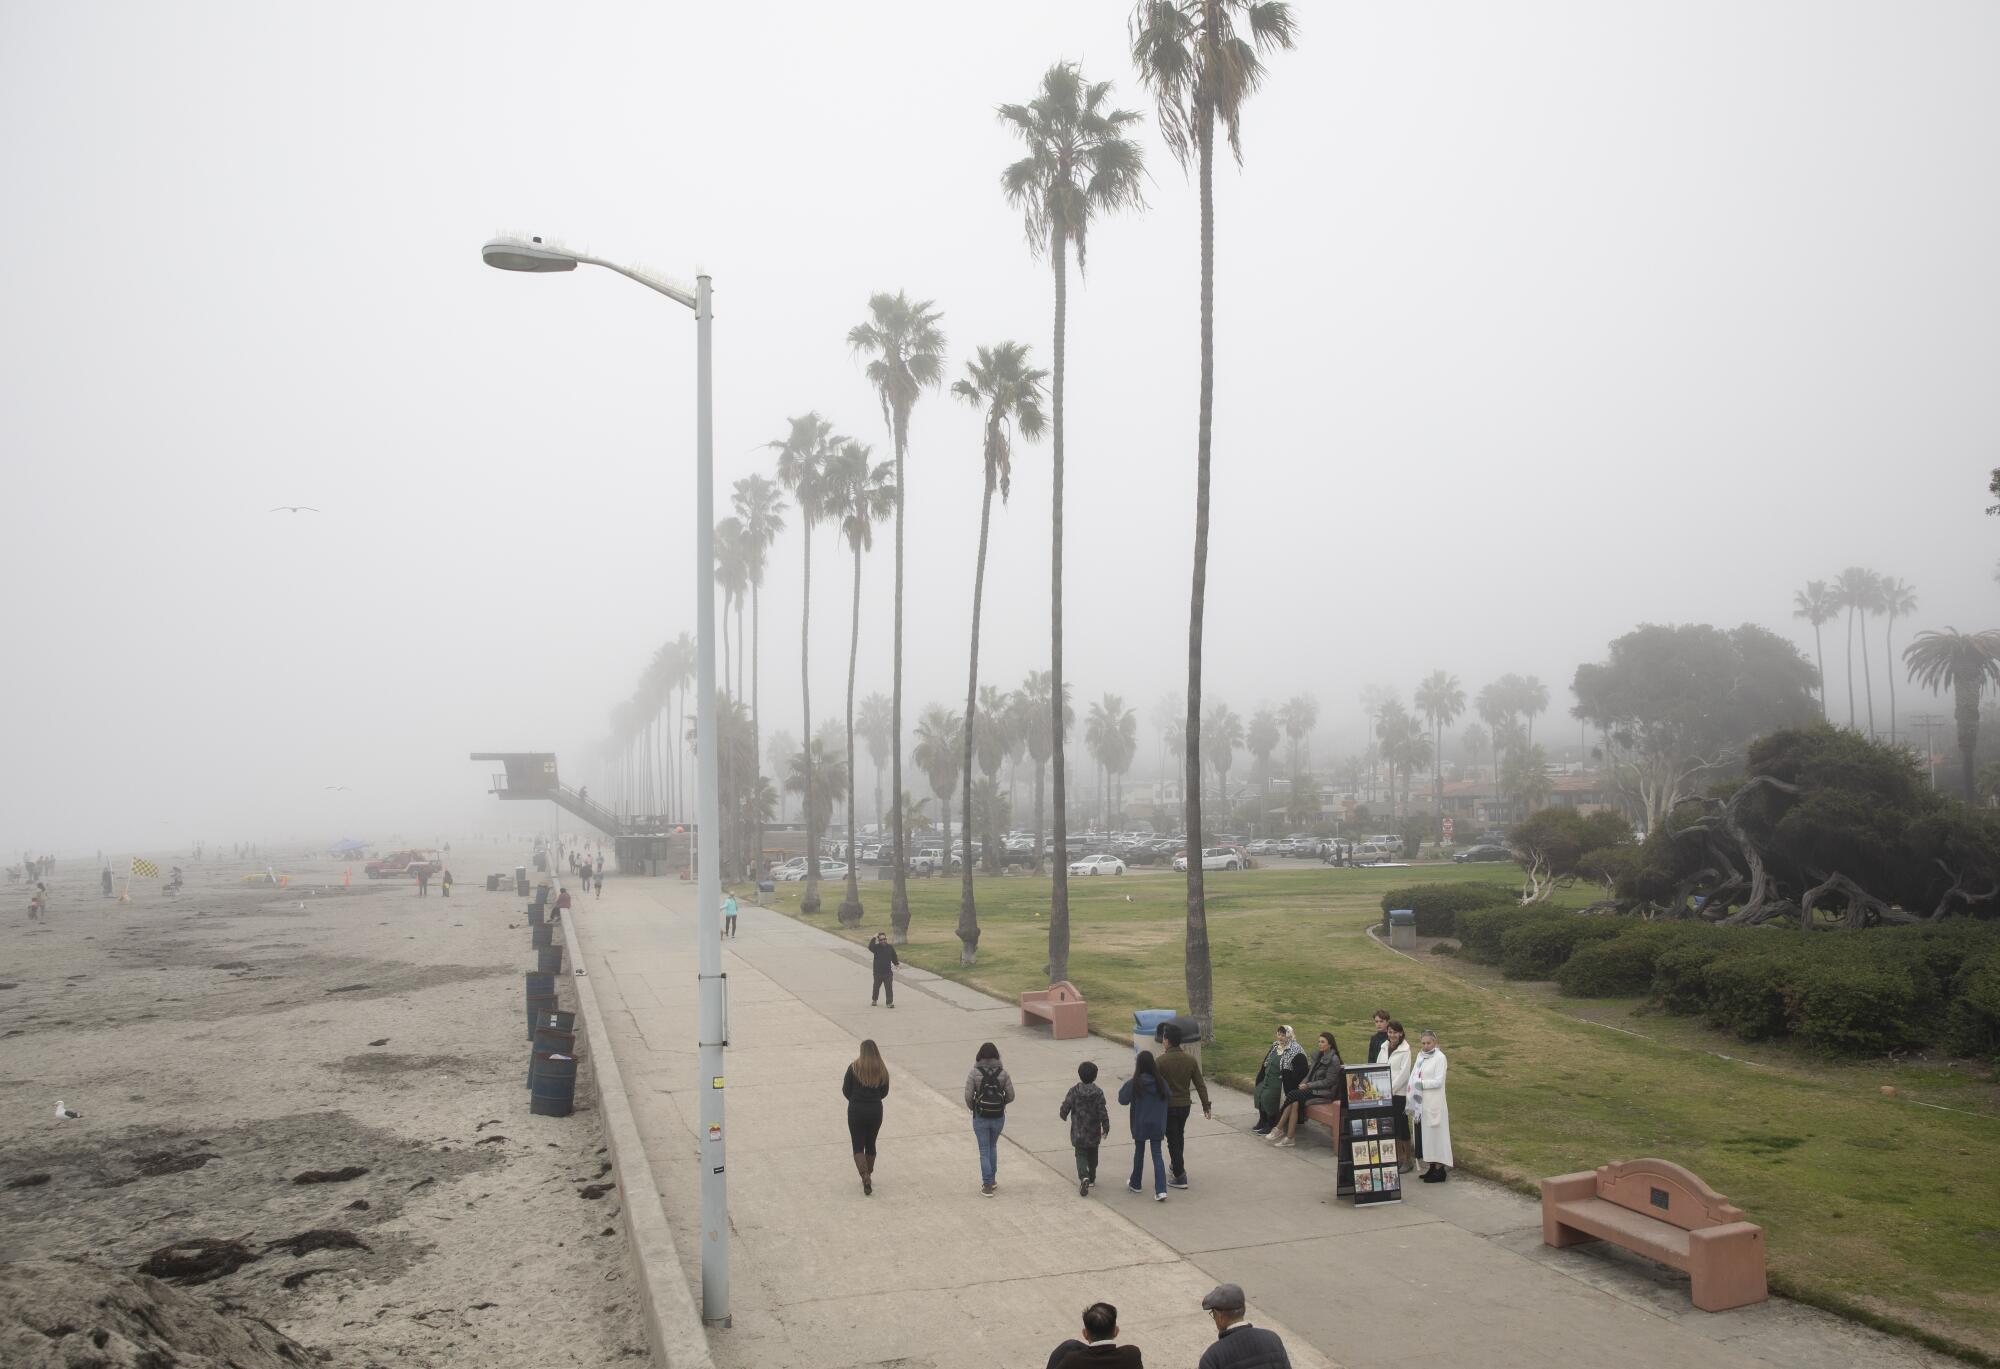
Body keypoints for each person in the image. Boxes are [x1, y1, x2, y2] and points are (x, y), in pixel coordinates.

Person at [1155, 1023, 1211, 1189]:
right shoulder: (1190, 1060)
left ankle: (1180, 1176)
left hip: (1169, 1106)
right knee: (1178, 1136)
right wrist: (1206, 1105)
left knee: (1173, 1140)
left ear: (1167, 1041)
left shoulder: (1160, 1061)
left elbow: (1155, 1086)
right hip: (1185, 1106)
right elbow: (1200, 1085)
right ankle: (1176, 1164)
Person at [1266, 1032, 1342, 1148]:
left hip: (1324, 1093)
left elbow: (1328, 1082)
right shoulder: (1319, 1056)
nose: (1320, 1044)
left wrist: (1309, 1085)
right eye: (1319, 1041)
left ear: (1330, 1045)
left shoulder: (1334, 1060)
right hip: (1312, 1089)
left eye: (1323, 1042)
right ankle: (1290, 1138)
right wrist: (1303, 1083)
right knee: (1294, 1101)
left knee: (1292, 1095)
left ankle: (1278, 1128)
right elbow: (1309, 1073)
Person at [1197, 1284, 1291, 1369]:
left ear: (1221, 1317)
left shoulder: (1212, 1358)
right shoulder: (1273, 1340)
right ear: (1244, 1309)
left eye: (1214, 1314)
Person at [1118, 1050, 1170, 1201]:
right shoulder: (1161, 1082)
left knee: (1139, 1152)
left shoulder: (1135, 1083)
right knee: (1157, 1154)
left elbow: (1122, 1099)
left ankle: (1136, 1183)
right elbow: (1169, 1095)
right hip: (1157, 1123)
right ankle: (1161, 1190)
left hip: (1140, 1122)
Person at [964, 1041, 1015, 1195]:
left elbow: (967, 1095)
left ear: (979, 1056)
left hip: (981, 1115)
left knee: (984, 1150)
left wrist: (974, 1107)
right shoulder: (1003, 1073)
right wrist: (1002, 1103)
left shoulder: (974, 1073)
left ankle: (987, 1184)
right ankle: (992, 1180)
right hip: (998, 1116)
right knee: (992, 1146)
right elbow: (1011, 1096)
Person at [842, 1038, 891, 1195]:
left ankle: (865, 1176)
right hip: (875, 1110)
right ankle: (869, 1172)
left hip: (856, 1110)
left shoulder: (854, 1067)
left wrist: (856, 1100)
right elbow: (884, 1092)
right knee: (871, 1143)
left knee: (858, 1146)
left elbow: (845, 1090)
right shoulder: (882, 1069)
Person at [1059, 1060, 1112, 1197]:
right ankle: (1092, 1177)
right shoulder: (1098, 1092)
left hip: (1078, 1131)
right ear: (1095, 1076)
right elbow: (1102, 1111)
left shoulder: (1074, 1091)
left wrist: (1063, 1113)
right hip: (1093, 1131)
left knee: (1080, 1154)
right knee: (1093, 1155)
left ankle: (1084, 1176)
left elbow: (1066, 1105)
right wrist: (1105, 1126)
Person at [1045, 1301, 1144, 1369]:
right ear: (1116, 1331)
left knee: (1069, 1346)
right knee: (1071, 1345)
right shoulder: (1132, 1355)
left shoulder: (1072, 1361)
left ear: (1085, 1334)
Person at [1410, 1028, 1453, 1182]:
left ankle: (1440, 1169)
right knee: (1426, 1136)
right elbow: (1414, 1074)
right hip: (1421, 1103)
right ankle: (1431, 1166)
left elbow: (1438, 1081)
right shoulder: (1420, 1057)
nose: (1426, 1046)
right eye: (1423, 1043)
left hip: (1434, 1102)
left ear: (1435, 1042)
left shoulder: (1440, 1057)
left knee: (1436, 1136)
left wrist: (1420, 1083)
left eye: (1429, 1043)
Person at [1251, 1026, 1306, 1134]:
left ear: (1289, 1035)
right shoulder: (1275, 1045)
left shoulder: (1295, 1049)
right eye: (1279, 1034)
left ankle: (1271, 1123)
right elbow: (1266, 1061)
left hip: (1281, 1081)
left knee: (1268, 1096)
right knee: (1258, 1091)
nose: (1280, 1037)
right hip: (1268, 1077)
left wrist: (1288, 1078)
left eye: (1283, 1035)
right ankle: (1263, 1120)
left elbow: (1301, 1070)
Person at [1377, 1019, 1414, 1172]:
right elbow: (1379, 1066)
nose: (1392, 1035)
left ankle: (1408, 1160)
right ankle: (1399, 1157)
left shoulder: (1406, 1050)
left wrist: (1390, 1089)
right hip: (1384, 1093)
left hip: (1398, 1094)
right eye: (1390, 1032)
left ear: (1401, 1033)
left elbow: (1404, 1074)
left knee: (1402, 1126)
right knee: (1391, 1126)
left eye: (1395, 1032)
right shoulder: (1384, 1047)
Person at [868, 931, 897, 1005]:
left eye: (884, 939)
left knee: (889, 988)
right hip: (878, 973)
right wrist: (874, 937)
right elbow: (870, 947)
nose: (883, 941)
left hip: (888, 973)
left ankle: (889, 1003)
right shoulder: (876, 948)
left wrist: (896, 963)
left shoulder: (890, 947)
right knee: (876, 988)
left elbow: (893, 956)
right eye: (881, 940)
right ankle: (874, 1000)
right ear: (879, 941)